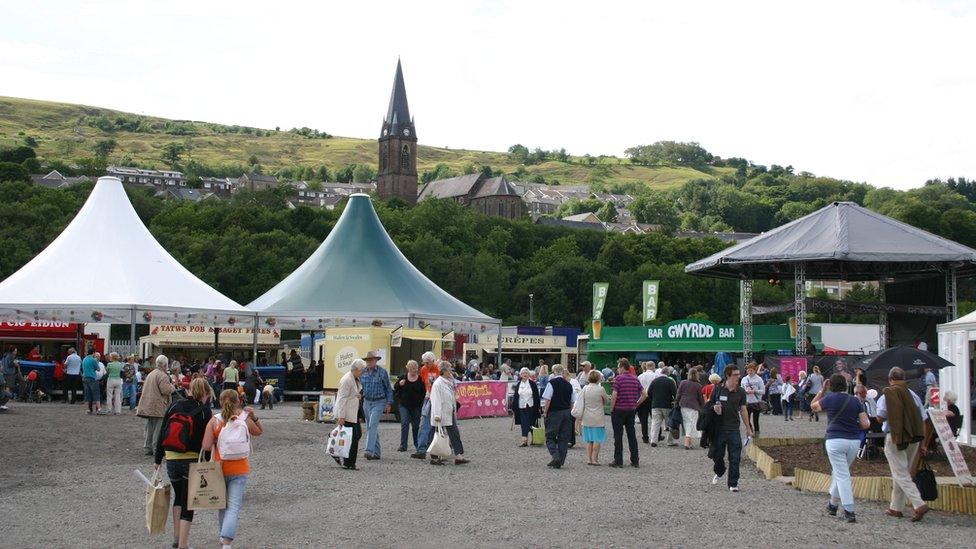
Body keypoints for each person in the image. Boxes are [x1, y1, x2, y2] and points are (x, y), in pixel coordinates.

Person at [155, 378, 214, 549]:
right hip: (191, 460)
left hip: (171, 458)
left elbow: (163, 431)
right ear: (205, 393)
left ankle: (176, 537)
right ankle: (183, 544)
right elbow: (207, 441)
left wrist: (158, 459)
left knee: (178, 497)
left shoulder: (174, 406)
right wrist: (208, 460)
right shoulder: (205, 411)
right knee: (189, 501)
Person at [202, 388, 263, 549]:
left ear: (221, 402)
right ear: (238, 401)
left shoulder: (214, 420)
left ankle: (223, 537)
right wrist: (254, 416)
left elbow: (206, 446)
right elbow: (259, 432)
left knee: (222, 504)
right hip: (240, 467)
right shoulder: (243, 418)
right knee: (234, 506)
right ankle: (226, 543)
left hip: (219, 467)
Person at [811, 374, 871, 523]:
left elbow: (813, 406)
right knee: (841, 472)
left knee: (842, 474)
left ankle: (849, 510)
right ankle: (832, 505)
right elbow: (865, 424)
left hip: (835, 440)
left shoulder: (829, 398)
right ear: (845, 385)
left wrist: (821, 391)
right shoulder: (855, 401)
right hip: (853, 441)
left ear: (830, 385)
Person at [876, 366, 929, 521]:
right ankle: (896, 508)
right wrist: (924, 443)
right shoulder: (913, 395)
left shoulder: (887, 394)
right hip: (914, 437)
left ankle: (919, 504)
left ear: (890, 379)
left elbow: (880, 417)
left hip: (895, 437)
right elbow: (924, 419)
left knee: (900, 473)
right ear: (904, 378)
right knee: (902, 471)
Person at [709, 365, 754, 492]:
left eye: (739, 374)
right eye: (735, 375)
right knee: (717, 455)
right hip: (719, 428)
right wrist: (714, 407)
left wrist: (748, 427)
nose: (738, 377)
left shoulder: (740, 391)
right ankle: (719, 470)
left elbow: (743, 409)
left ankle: (733, 483)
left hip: (734, 428)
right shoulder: (718, 389)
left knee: (735, 457)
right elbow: (709, 404)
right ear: (728, 375)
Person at [429, 361, 469, 465]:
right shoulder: (438, 384)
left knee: (454, 434)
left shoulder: (448, 382)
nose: (451, 370)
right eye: (449, 368)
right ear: (444, 371)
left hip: (448, 412)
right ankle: (435, 457)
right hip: (440, 414)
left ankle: (458, 455)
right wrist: (437, 415)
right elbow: (435, 400)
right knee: (437, 435)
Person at [609, 358, 646, 468]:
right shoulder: (635, 379)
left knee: (618, 435)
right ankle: (635, 460)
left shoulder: (619, 379)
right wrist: (636, 404)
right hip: (631, 409)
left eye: (618, 368)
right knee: (631, 435)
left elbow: (614, 395)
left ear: (621, 367)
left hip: (619, 409)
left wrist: (612, 408)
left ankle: (618, 460)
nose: (617, 370)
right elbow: (644, 394)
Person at [136, 355, 176, 456]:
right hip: (158, 406)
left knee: (149, 427)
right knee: (158, 429)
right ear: (165, 365)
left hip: (149, 405)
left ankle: (147, 447)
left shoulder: (151, 373)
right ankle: (156, 449)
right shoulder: (163, 375)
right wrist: (173, 387)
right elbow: (165, 390)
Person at [358, 350, 392, 461]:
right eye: (367, 360)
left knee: (372, 425)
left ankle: (369, 450)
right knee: (370, 426)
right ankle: (377, 453)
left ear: (376, 361)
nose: (369, 362)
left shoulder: (382, 372)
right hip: (367, 402)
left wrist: (389, 403)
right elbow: (359, 386)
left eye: (371, 360)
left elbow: (388, 388)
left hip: (379, 401)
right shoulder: (362, 372)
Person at [541, 364, 574, 468]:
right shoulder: (569, 384)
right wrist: (570, 412)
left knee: (550, 436)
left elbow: (548, 399)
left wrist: (545, 411)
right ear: (563, 372)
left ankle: (555, 456)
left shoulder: (552, 383)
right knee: (563, 438)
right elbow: (573, 401)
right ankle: (560, 460)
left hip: (555, 412)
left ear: (553, 372)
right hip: (566, 412)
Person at [334, 359, 364, 470]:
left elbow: (353, 393)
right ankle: (349, 463)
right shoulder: (347, 379)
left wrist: (358, 396)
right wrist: (341, 416)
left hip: (353, 412)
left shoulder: (355, 378)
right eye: (361, 370)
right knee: (354, 437)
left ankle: (346, 460)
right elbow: (342, 398)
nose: (362, 372)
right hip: (347, 413)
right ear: (356, 369)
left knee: (356, 435)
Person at [410, 352, 441, 460]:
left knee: (440, 426)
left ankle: (438, 449)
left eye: (428, 363)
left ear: (433, 361)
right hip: (428, 398)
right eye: (425, 363)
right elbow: (425, 384)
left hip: (439, 400)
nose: (426, 365)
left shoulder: (439, 369)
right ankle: (421, 450)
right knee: (424, 424)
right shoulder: (423, 370)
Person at [577, 369, 609, 465]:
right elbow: (606, 401)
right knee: (597, 439)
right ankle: (595, 459)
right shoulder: (601, 389)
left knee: (589, 440)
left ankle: (589, 459)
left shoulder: (585, 389)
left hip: (587, 416)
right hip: (598, 416)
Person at [395, 360, 425, 452]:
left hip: (416, 406)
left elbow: (423, 392)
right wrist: (399, 384)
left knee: (416, 425)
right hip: (404, 405)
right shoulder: (403, 378)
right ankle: (403, 445)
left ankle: (417, 444)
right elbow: (396, 387)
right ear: (407, 368)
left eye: (415, 368)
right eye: (412, 368)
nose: (414, 370)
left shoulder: (420, 379)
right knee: (404, 423)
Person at [648, 366, 677, 447]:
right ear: (668, 373)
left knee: (655, 423)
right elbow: (675, 393)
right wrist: (674, 401)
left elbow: (649, 392)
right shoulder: (670, 381)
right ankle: (669, 441)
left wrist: (653, 400)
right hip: (667, 405)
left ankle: (653, 440)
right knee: (669, 424)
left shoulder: (654, 381)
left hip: (655, 405)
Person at [677, 369, 705, 449]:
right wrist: (703, 408)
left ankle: (689, 442)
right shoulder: (698, 385)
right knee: (691, 423)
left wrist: (676, 403)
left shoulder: (683, 382)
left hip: (683, 404)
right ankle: (687, 442)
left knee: (687, 422)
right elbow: (700, 398)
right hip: (694, 406)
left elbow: (679, 394)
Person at [513, 367, 541, 447]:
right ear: (520, 375)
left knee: (532, 422)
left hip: (531, 406)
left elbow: (536, 396)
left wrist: (538, 407)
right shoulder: (519, 384)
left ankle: (534, 438)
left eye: (526, 373)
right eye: (523, 373)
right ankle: (524, 440)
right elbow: (516, 396)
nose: (524, 374)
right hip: (521, 406)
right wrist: (514, 407)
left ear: (528, 374)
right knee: (524, 423)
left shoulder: (532, 384)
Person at [636, 361, 659, 443]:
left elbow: (637, 389)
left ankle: (645, 437)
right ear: (653, 366)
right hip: (653, 398)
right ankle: (657, 435)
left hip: (642, 398)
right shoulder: (656, 376)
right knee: (656, 418)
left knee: (644, 419)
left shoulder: (640, 376)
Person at [742, 363, 765, 436]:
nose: (749, 372)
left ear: (755, 370)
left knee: (756, 419)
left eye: (751, 370)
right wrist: (745, 391)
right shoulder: (744, 379)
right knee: (746, 419)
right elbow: (741, 389)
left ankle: (757, 432)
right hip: (747, 402)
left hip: (756, 401)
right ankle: (750, 430)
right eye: (748, 370)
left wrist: (754, 391)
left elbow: (763, 391)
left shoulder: (759, 379)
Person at [81, 351, 105, 415]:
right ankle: (99, 409)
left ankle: (87, 409)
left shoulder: (84, 359)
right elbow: (98, 369)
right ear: (93, 353)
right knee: (96, 394)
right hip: (92, 378)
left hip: (85, 378)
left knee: (87, 394)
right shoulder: (93, 360)